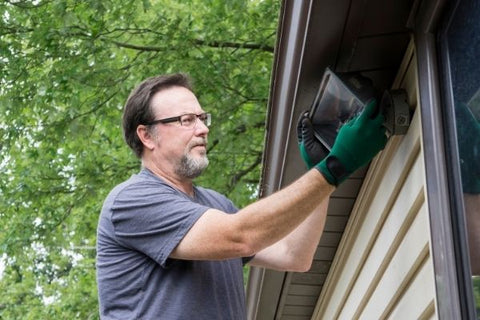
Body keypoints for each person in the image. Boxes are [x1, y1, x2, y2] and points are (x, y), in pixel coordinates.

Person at [96, 73, 387, 319]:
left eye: (202, 117)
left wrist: (320, 167)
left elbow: (294, 255)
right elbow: (240, 235)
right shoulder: (131, 201)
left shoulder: (215, 205)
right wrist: (335, 167)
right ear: (147, 136)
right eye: (186, 120)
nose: (203, 129)